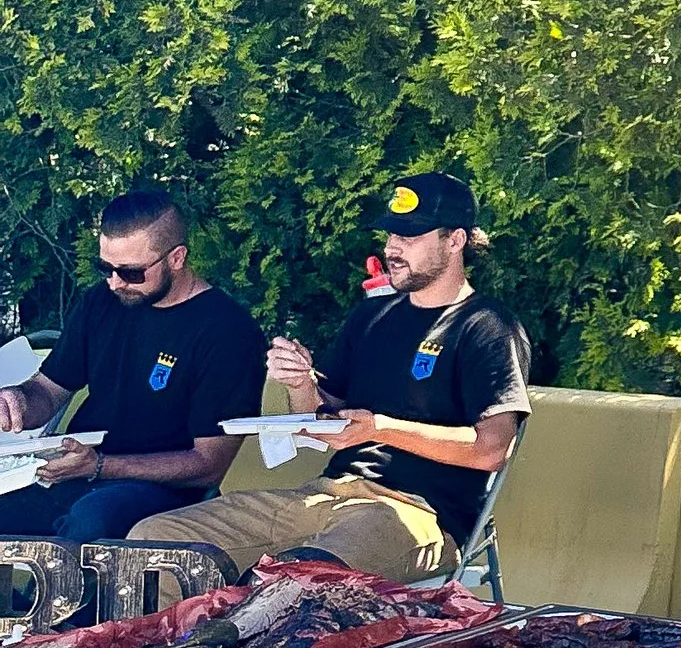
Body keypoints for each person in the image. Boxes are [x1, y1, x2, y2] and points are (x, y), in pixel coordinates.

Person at [132, 172, 529, 584]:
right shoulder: (372, 316)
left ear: (456, 240)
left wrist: (381, 429)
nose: (393, 248)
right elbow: (319, 421)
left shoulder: (487, 326)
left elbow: (490, 450)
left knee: (297, 577)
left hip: (416, 514)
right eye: (390, 235)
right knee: (152, 540)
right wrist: (300, 382)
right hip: (325, 491)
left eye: (410, 237)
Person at [0, 186, 264, 546]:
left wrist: (100, 466)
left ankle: (59, 604)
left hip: (163, 490)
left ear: (177, 258)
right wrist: (16, 401)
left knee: (93, 519)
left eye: (131, 272)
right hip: (76, 472)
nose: (114, 282)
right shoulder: (101, 302)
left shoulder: (227, 330)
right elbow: (49, 389)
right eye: (105, 267)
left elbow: (208, 464)